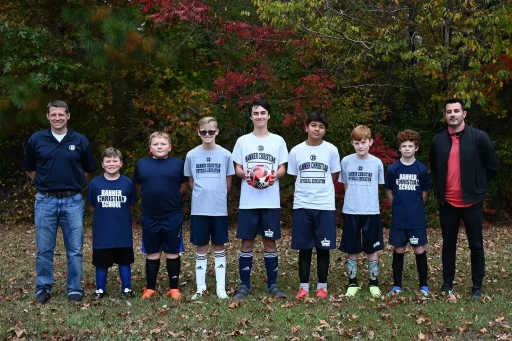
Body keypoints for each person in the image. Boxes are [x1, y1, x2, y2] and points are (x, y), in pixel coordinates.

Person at [23, 100, 96, 304]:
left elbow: (89, 169)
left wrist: (75, 183)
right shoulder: (37, 139)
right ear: (48, 116)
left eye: (61, 114)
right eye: (53, 115)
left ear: (68, 116)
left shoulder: (79, 140)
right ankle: (43, 287)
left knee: (74, 249)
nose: (57, 118)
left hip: (72, 200)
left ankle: (74, 289)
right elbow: (29, 167)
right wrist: (41, 182)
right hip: (45, 201)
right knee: (44, 249)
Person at [430, 98, 498, 301]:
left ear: (464, 114)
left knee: (476, 245)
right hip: (448, 203)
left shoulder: (479, 137)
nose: (452, 114)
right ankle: (446, 284)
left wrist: (479, 186)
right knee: (448, 245)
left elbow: (492, 166)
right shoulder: (438, 140)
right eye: (449, 111)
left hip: (472, 202)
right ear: (445, 115)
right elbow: (435, 169)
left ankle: (477, 286)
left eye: (456, 111)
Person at [231, 99, 289, 300]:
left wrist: (274, 176)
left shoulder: (278, 140)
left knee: (270, 243)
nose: (260, 116)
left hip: (270, 201)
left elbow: (283, 167)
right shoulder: (243, 141)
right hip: (249, 201)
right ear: (251, 117)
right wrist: (245, 175)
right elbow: (237, 167)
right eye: (256, 113)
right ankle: (244, 286)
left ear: (269, 115)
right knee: (246, 243)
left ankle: (272, 285)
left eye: (263, 113)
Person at [287, 112, 340, 299]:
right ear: (306, 127)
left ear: (325, 131)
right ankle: (303, 286)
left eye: (321, 126)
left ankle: (322, 287)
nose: (317, 129)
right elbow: (295, 176)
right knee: (305, 247)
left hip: (324, 205)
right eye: (314, 125)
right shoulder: (295, 151)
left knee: (323, 247)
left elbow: (333, 176)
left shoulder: (331, 150)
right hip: (302, 204)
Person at [184, 117, 235, 300]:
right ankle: (200, 287)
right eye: (204, 132)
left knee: (219, 246)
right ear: (198, 132)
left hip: (218, 209)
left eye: (211, 132)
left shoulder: (226, 155)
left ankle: (220, 288)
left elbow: (228, 182)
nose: (207, 135)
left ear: (217, 132)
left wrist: (217, 195)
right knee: (201, 246)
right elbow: (191, 182)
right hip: (199, 208)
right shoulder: (191, 155)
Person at [133, 132, 188, 300]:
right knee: (152, 252)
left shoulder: (178, 164)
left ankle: (174, 288)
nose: (159, 146)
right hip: (150, 216)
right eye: (155, 144)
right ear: (150, 148)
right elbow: (139, 186)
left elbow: (183, 186)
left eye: (163, 143)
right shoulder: (142, 164)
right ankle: (150, 288)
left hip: (172, 215)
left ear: (169, 147)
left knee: (172, 252)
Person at [338, 125, 385, 298]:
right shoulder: (346, 161)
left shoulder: (377, 163)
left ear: (370, 142)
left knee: (372, 248)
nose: (360, 146)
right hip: (351, 210)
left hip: (371, 211)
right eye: (357, 143)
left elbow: (377, 186)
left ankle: (374, 284)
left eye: (363, 142)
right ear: (352, 143)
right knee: (352, 248)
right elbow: (345, 185)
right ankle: (352, 283)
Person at [87, 148, 137, 299]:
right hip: (102, 232)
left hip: (122, 231)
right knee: (101, 263)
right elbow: (91, 206)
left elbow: (131, 203)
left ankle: (127, 289)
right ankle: (100, 289)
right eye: (108, 161)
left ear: (121, 163)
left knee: (124, 262)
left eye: (115, 160)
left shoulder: (127, 182)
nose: (111, 164)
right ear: (102, 164)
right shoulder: (95, 183)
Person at [385, 130, 431, 297]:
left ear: (416, 148)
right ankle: (397, 285)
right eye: (403, 146)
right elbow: (389, 191)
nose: (407, 149)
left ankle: (424, 286)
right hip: (399, 219)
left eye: (410, 146)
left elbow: (425, 193)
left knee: (419, 249)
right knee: (399, 249)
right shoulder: (393, 169)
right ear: (399, 148)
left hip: (416, 219)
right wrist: (397, 207)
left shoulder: (422, 169)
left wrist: (416, 207)